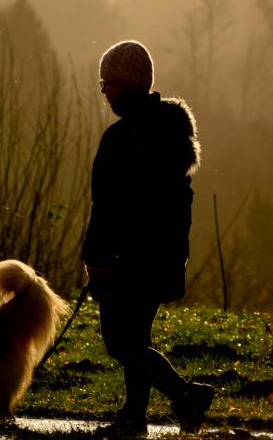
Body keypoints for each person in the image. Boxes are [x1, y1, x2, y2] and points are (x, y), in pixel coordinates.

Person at [82, 40, 214, 437]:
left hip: (128, 259)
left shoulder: (122, 139)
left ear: (125, 84)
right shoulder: (170, 133)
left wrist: (97, 258)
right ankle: (133, 418)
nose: (103, 90)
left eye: (107, 82)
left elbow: (108, 206)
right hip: (165, 256)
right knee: (137, 338)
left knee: (119, 341)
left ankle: (186, 394)